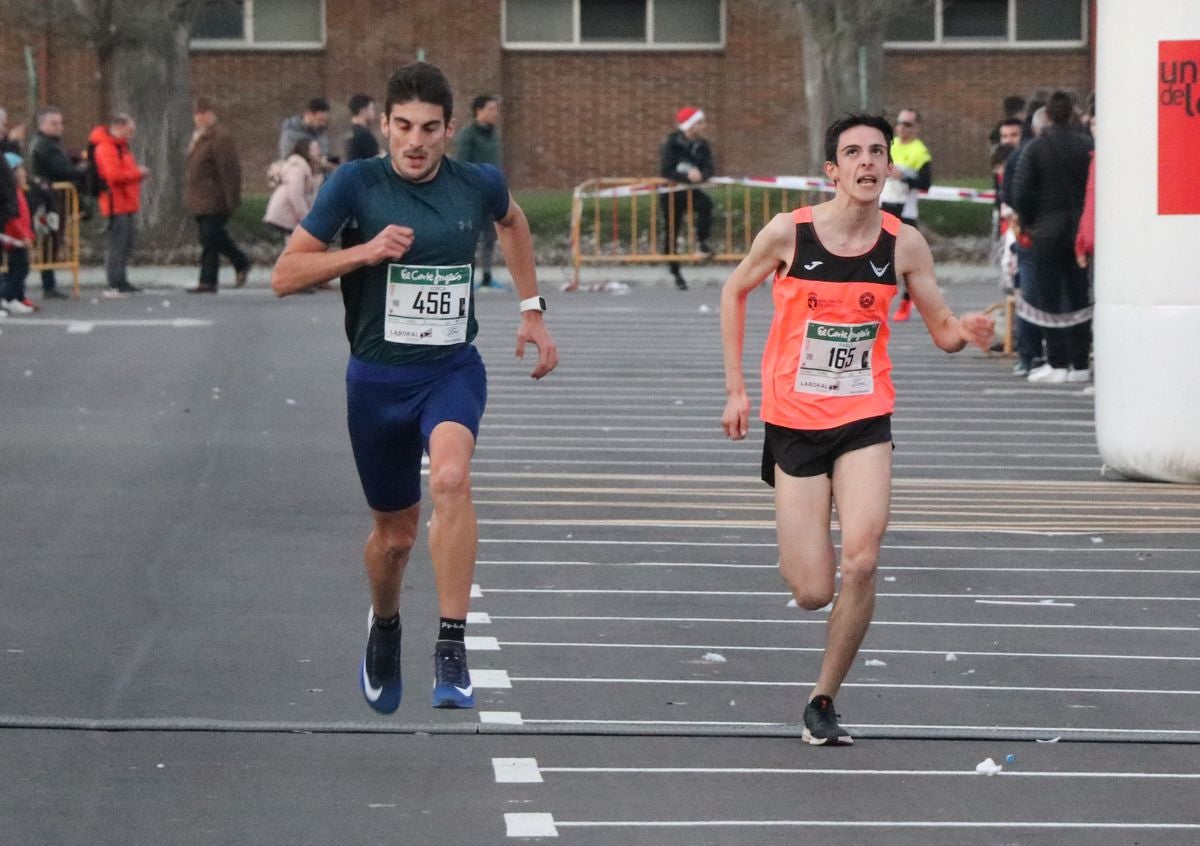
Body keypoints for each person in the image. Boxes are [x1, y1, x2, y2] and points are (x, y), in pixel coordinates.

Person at [270, 62, 558, 715]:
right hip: (376, 380)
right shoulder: (355, 184)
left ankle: (451, 644)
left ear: (449, 130)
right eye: (404, 127)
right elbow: (286, 275)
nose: (416, 141)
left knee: (452, 480)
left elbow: (512, 223)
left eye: (430, 128)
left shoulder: (477, 184)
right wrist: (363, 253)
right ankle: (386, 621)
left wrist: (532, 310)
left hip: (450, 368)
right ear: (385, 126)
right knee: (395, 537)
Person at [719, 113, 993, 746]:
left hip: (865, 417)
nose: (868, 162)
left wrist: (970, 333)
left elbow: (943, 330)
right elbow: (734, 291)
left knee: (863, 563)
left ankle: (823, 699)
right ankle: (802, 547)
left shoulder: (905, 245)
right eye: (854, 153)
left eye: (877, 151)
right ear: (833, 171)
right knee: (814, 589)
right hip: (794, 422)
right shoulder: (789, 233)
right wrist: (737, 390)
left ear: (889, 166)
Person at [1011, 91, 1094, 384]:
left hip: (1046, 231)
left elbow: (1021, 192)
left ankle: (1057, 362)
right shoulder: (1087, 145)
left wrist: (1031, 220)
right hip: (1080, 231)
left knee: (1049, 299)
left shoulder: (1035, 148)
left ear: (1046, 115)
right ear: (1072, 112)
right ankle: (1081, 362)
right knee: (1079, 296)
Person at [184, 97, 250, 293]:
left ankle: (240, 261)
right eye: (197, 114)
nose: (199, 118)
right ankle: (208, 280)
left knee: (211, 235)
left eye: (203, 113)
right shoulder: (198, 138)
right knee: (208, 240)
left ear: (211, 114)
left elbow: (229, 170)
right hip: (199, 198)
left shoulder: (220, 138)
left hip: (215, 197)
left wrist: (232, 199)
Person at [89, 114, 149, 297]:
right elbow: (113, 175)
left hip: (125, 201)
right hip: (116, 202)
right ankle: (115, 281)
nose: (131, 135)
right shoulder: (107, 147)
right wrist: (137, 173)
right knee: (118, 243)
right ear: (120, 127)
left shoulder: (119, 147)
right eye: (130, 130)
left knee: (125, 243)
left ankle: (120, 279)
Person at [880, 108, 931, 322]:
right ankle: (878, 299)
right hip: (883, 207)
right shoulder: (888, 146)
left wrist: (903, 177)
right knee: (881, 256)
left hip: (906, 212)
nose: (902, 127)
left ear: (917, 127)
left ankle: (906, 299)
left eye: (908, 124)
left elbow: (926, 184)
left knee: (908, 257)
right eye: (899, 122)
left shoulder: (921, 153)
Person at [27, 106, 82, 300]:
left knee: (51, 239)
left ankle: (49, 283)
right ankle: (48, 284)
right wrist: (81, 171)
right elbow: (62, 169)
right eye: (54, 123)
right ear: (42, 124)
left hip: (51, 199)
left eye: (60, 123)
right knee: (48, 239)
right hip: (46, 200)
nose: (59, 127)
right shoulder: (44, 145)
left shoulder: (50, 144)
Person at [660, 106, 715, 291]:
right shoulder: (672, 143)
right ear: (690, 125)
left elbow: (709, 166)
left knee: (705, 205)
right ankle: (675, 271)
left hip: (691, 191)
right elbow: (667, 170)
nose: (703, 126)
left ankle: (702, 242)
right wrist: (685, 176)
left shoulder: (702, 145)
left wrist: (702, 174)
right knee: (672, 229)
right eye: (700, 122)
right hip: (671, 193)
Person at [454, 94, 503, 288]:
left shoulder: (493, 134)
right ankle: (465, 274)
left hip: (492, 193)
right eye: (491, 109)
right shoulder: (468, 135)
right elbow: (462, 165)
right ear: (478, 111)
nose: (495, 114)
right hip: (473, 195)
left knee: (490, 236)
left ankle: (487, 275)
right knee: (470, 236)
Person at [264, 138, 321, 237]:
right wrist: (307, 218)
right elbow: (295, 195)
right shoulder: (297, 168)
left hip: (289, 214)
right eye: (315, 148)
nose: (319, 151)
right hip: (283, 214)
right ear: (305, 150)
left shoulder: (307, 167)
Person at [2, 152, 36, 315]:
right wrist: (22, 236)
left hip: (19, 235)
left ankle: (14, 297)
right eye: (19, 170)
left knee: (20, 268)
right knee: (19, 268)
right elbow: (13, 217)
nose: (23, 173)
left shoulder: (17, 192)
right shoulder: (12, 194)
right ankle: (7, 297)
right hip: (14, 237)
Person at [278, 98, 335, 170]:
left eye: (325, 121)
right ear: (309, 114)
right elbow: (288, 157)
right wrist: (317, 160)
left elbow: (326, 153)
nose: (323, 124)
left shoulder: (321, 133)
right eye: (320, 120)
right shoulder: (291, 132)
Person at [344, 93, 380, 162]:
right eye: (372, 109)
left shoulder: (349, 134)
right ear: (363, 111)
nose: (374, 113)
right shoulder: (364, 135)